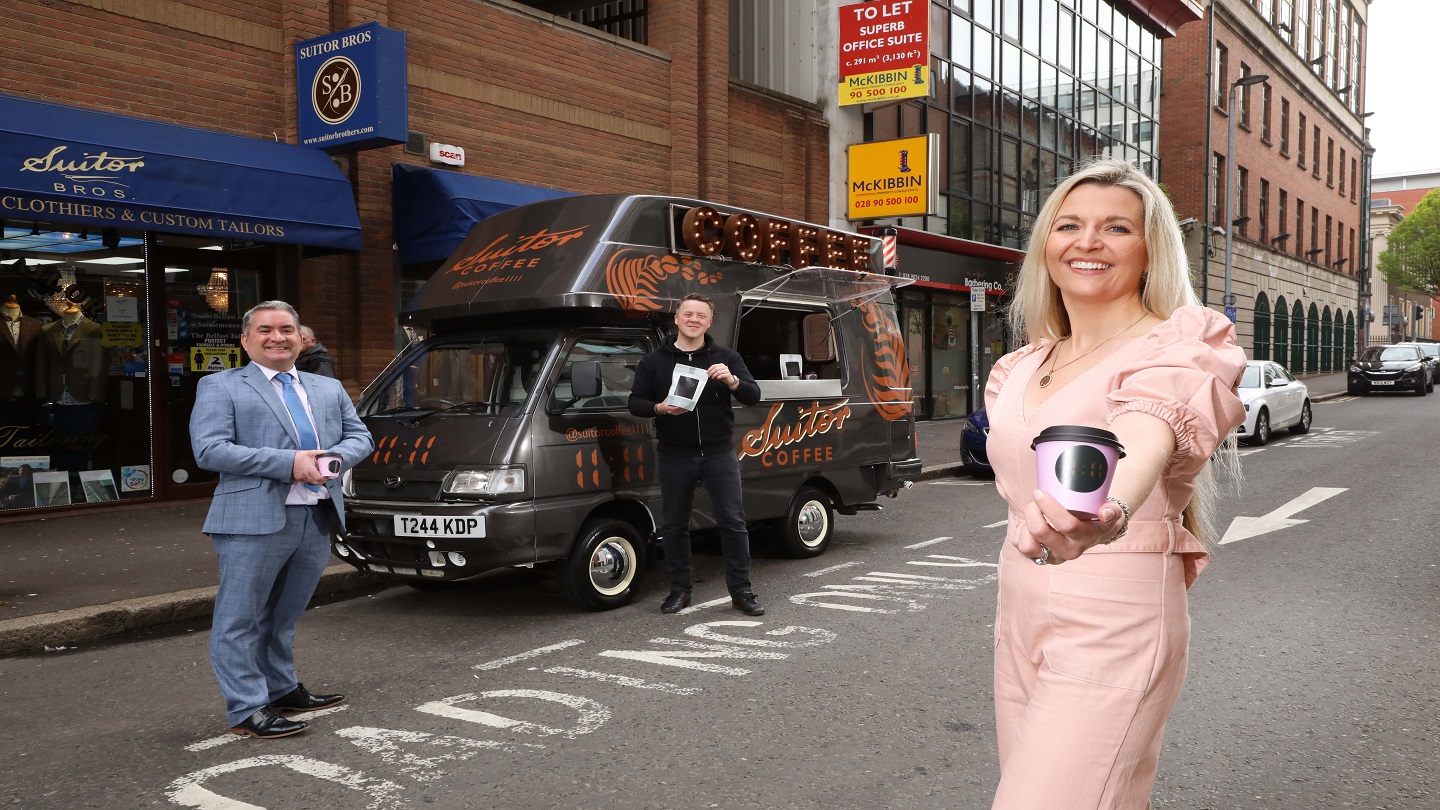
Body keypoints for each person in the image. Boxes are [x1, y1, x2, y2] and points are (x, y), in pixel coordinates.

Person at [982, 158, 1246, 808]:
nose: (1089, 241)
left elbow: (1147, 434)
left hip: (1115, 613)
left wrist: (1111, 511)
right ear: (1046, 245)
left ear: (1151, 249)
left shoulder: (1177, 347)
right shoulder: (1018, 367)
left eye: (1116, 228)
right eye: (1069, 224)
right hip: (1017, 608)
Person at [190, 301, 373, 739]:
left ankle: (280, 686)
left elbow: (360, 436)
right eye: (266, 329)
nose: (278, 337)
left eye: (287, 329)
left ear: (301, 338)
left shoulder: (325, 388)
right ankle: (247, 709)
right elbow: (210, 450)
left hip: (315, 515)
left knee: (283, 615)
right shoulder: (221, 385)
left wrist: (329, 462)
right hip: (252, 517)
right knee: (241, 618)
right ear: (246, 340)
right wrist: (290, 463)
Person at [628, 293, 765, 616]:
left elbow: (753, 395)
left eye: (700, 316)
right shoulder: (653, 362)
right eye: (687, 314)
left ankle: (741, 592)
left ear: (709, 322)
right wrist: (659, 408)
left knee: (732, 522)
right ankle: (680, 590)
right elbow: (635, 402)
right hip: (675, 455)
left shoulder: (726, 357)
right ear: (676, 319)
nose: (693, 320)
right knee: (675, 525)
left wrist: (732, 381)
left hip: (719, 453)